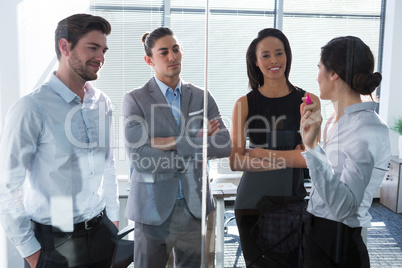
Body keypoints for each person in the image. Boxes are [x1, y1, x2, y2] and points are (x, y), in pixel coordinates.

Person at [0, 14, 120, 267]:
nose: (101, 58)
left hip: (101, 235)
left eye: (104, 50)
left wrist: (113, 220)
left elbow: (107, 164)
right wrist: (32, 254)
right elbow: (8, 187)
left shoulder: (103, 103)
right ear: (65, 47)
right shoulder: (31, 108)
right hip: (53, 242)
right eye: (93, 48)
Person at [122, 27, 231, 267]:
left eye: (175, 49)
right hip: (152, 210)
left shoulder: (202, 96)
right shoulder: (135, 99)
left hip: (195, 207)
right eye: (164, 52)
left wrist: (168, 143)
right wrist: (197, 140)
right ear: (149, 60)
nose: (172, 56)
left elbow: (224, 145)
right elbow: (140, 157)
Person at [229, 28, 320, 267]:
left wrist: (259, 153)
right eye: (266, 55)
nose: (274, 61)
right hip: (251, 203)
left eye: (279, 53)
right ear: (256, 62)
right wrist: (291, 156)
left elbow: (311, 158)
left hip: (291, 200)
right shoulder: (244, 104)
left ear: (287, 56)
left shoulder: (308, 101)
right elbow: (236, 162)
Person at [300, 36, 392, 267]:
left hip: (338, 244)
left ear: (334, 74)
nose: (317, 76)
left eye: (319, 68)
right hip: (315, 232)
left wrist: (312, 149)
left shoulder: (366, 127)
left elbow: (344, 208)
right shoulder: (334, 119)